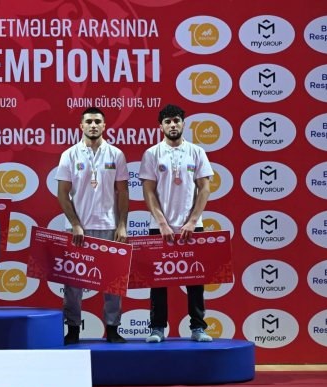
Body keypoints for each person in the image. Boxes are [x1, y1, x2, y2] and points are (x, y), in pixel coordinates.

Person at [139, 104, 214, 343]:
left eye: (176, 121)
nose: (172, 125)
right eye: (168, 121)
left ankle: (198, 327)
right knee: (157, 282)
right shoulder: (152, 154)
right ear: (161, 126)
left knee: (195, 281)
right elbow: (148, 191)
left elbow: (205, 188)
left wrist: (192, 221)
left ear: (183, 123)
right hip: (160, 227)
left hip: (192, 226)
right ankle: (157, 328)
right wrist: (162, 222)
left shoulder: (197, 152)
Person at [55, 107, 129, 345]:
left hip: (109, 226)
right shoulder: (69, 155)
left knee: (113, 282)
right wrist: (75, 224)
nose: (93, 125)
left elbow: (123, 192)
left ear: (105, 126)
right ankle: (73, 329)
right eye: (89, 121)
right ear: (81, 126)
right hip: (78, 229)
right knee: (73, 284)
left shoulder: (116, 154)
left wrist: (122, 225)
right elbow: (63, 193)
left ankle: (113, 328)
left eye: (98, 121)